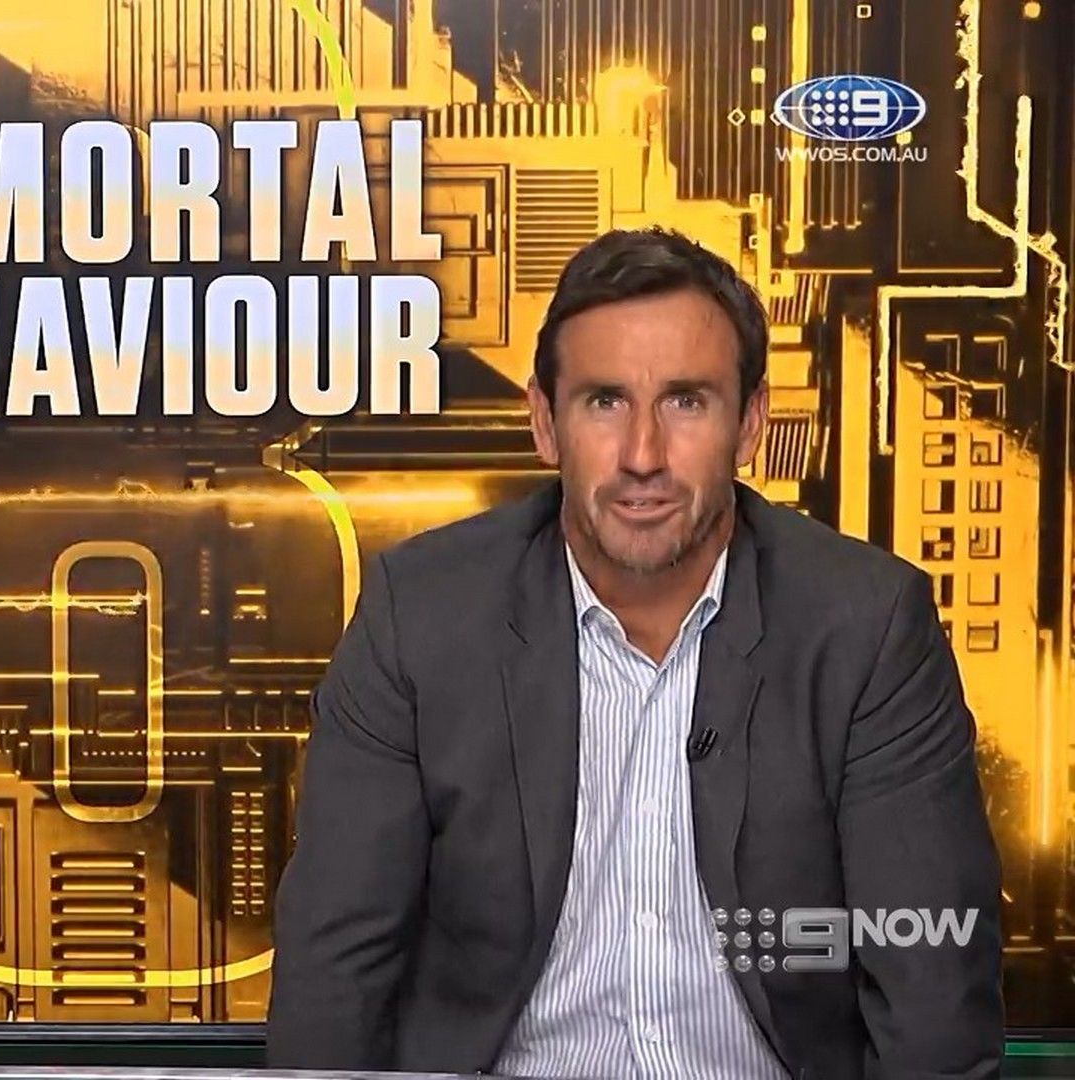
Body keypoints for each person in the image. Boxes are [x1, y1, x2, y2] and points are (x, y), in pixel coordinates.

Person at [266, 227, 1004, 1079]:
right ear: (544, 422)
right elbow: (336, 967)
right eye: (604, 402)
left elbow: (932, 994)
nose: (643, 456)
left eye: (686, 401)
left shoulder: (868, 628)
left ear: (750, 423)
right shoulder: (421, 617)